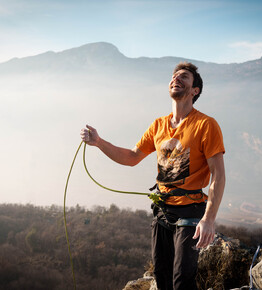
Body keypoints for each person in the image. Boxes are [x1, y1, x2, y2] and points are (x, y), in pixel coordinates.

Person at [80, 62, 225, 290]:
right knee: (163, 278)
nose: (176, 78)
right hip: (162, 212)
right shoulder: (158, 125)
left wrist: (209, 219)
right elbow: (131, 157)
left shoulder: (206, 125)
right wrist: (98, 142)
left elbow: (218, 174)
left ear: (195, 90)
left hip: (191, 211)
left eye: (184, 77)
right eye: (174, 76)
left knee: (182, 281)